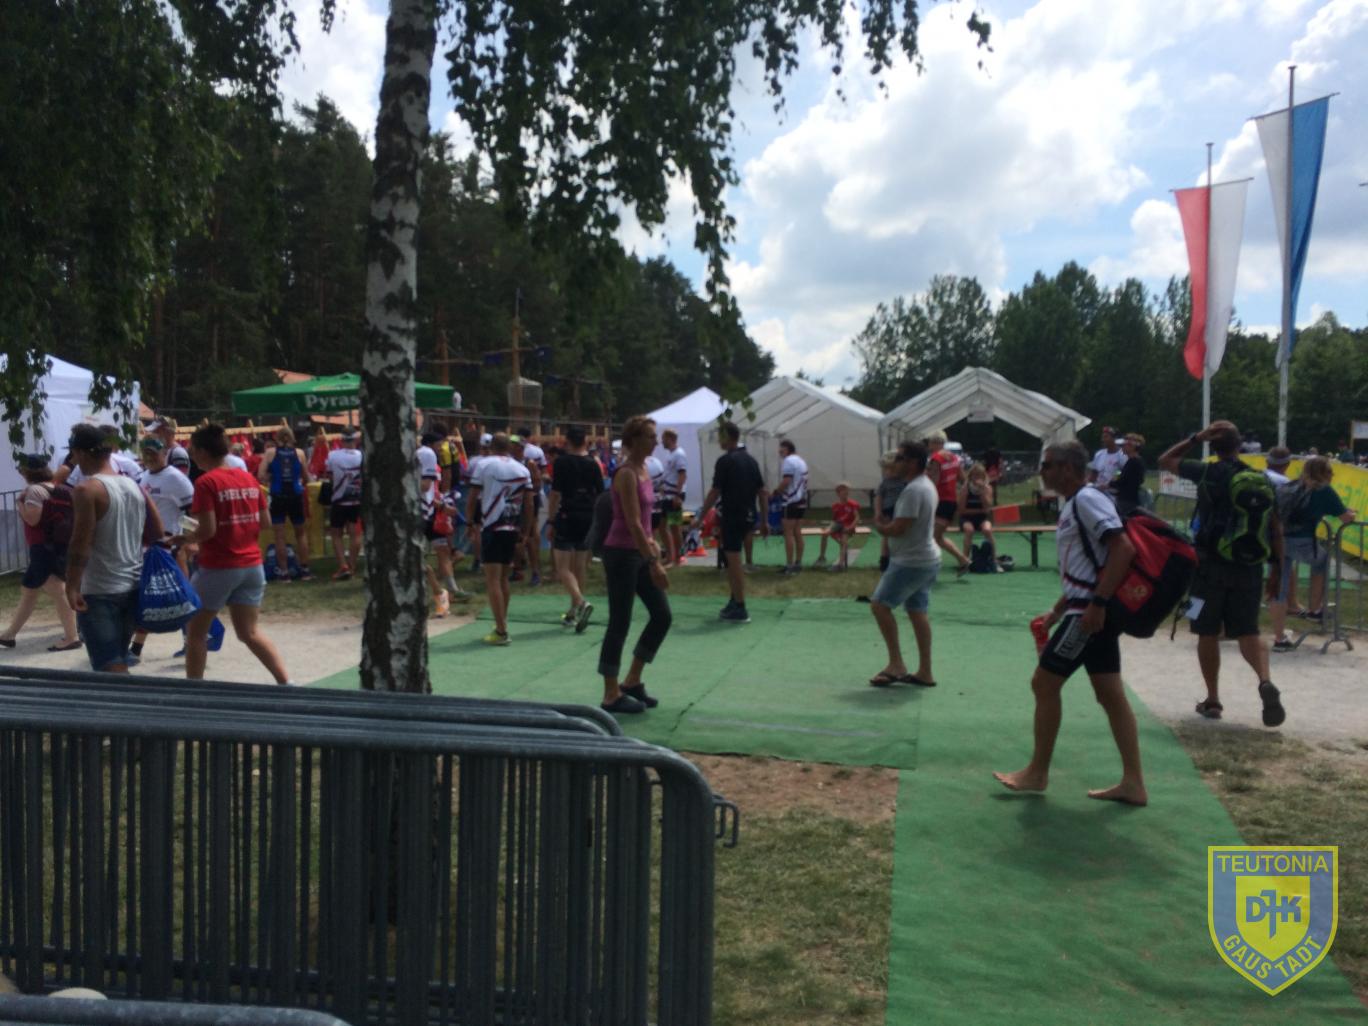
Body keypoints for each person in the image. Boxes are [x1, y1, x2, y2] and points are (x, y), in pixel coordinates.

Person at [993, 440, 1147, 806]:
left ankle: (1037, 773)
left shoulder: (1087, 499)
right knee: (1110, 695)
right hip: (1085, 610)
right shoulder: (1076, 503)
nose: (1042, 472)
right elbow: (1090, 565)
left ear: (1066, 468)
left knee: (1044, 683)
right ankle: (1133, 783)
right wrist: (1057, 611)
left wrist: (1098, 603)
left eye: (1047, 465)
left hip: (1089, 616)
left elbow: (1123, 549)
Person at [1157, 421, 1284, 727]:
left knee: (1206, 631)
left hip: (1208, 566)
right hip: (1250, 567)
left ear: (1212, 447)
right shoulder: (1261, 479)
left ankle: (1213, 699)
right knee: (1249, 631)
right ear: (1240, 446)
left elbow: (1165, 460)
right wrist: (1277, 569)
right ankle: (1265, 680)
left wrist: (1195, 437)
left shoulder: (1206, 472)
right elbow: (1276, 528)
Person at [180, 423, 291, 684]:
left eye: (192, 450)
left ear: (202, 451)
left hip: (218, 566)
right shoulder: (247, 478)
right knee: (249, 632)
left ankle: (193, 691)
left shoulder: (206, 482)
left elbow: (207, 530)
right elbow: (265, 521)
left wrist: (183, 538)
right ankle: (286, 682)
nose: (191, 456)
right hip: (252, 565)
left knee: (195, 633)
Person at [63, 423, 164, 673]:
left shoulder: (86, 490)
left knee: (109, 666)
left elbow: (81, 543)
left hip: (100, 588)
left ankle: (132, 700)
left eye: (74, 454)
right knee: (117, 656)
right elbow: (157, 532)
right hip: (132, 583)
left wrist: (72, 585)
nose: (74, 461)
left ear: (81, 453)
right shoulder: (133, 485)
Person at [597, 416, 673, 714]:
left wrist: (654, 546)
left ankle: (631, 681)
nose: (656, 441)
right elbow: (632, 522)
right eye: (650, 436)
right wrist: (653, 562)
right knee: (620, 621)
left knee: (662, 615)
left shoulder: (644, 470)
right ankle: (610, 694)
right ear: (634, 440)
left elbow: (646, 520)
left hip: (640, 552)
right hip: (621, 554)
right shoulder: (626, 474)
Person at [867, 441, 941, 688]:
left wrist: (879, 526)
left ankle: (896, 664)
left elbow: (899, 528)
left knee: (879, 606)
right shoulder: (924, 485)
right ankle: (925, 672)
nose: (894, 463)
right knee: (917, 612)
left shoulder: (913, 491)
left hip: (911, 561)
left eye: (899, 458)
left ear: (912, 463)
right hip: (925, 559)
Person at [1269, 456, 1356, 651]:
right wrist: (1351, 514)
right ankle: (1315, 608)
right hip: (1302, 541)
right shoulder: (1323, 490)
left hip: (1277, 540)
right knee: (1323, 561)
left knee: (1278, 589)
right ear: (1325, 473)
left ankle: (1279, 638)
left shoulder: (1290, 486)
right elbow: (1345, 517)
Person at [0, 454, 81, 652]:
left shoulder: (34, 491)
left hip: (42, 547)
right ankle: (9, 635)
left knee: (57, 590)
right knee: (29, 591)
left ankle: (72, 637)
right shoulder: (56, 488)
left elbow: (32, 519)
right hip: (56, 545)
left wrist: (20, 504)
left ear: (27, 471)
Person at [128, 436, 196, 661]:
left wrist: (188, 541)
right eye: (146, 453)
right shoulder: (143, 476)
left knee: (182, 597)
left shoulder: (176, 479)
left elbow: (193, 512)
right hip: (148, 548)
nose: (150, 457)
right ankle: (136, 648)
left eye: (154, 453)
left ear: (164, 453)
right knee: (150, 597)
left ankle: (192, 643)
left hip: (170, 548)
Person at [700, 422, 767, 623]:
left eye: (720, 436)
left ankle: (740, 607)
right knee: (733, 560)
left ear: (728, 437)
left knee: (734, 561)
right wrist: (764, 520)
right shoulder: (751, 461)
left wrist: (700, 516)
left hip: (732, 516)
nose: (718, 441)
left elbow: (715, 492)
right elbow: (762, 492)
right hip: (748, 515)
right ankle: (734, 600)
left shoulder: (725, 461)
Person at [469, 433, 533, 645]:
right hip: (512, 526)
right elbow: (529, 503)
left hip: (492, 526)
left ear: (491, 447)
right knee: (504, 578)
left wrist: (469, 522)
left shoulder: (484, 464)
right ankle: (501, 623)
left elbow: (473, 496)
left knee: (493, 580)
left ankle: (501, 630)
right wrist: (526, 530)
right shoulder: (522, 469)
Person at [548, 425, 604, 632]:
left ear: (568, 442)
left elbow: (555, 493)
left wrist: (551, 520)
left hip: (568, 514)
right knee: (580, 566)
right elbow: (600, 492)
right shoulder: (593, 463)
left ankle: (580, 602)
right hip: (587, 516)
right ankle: (573, 612)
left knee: (562, 567)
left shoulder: (562, 462)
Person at [259, 427, 313, 582]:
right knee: (301, 534)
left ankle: (284, 573)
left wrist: (271, 477)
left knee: (279, 536)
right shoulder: (300, 453)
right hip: (295, 495)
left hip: (278, 495)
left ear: (277, 438)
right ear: (292, 437)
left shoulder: (270, 453)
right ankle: (305, 570)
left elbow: (260, 475)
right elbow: (306, 477)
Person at [926, 431, 971, 574]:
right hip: (950, 501)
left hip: (940, 502)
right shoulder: (953, 457)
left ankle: (931, 567)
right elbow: (963, 479)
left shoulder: (935, 459)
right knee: (936, 537)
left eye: (929, 443)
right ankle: (963, 560)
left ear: (933, 443)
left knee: (932, 537)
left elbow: (933, 483)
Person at [326, 429, 364, 580]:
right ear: (355, 440)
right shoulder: (362, 456)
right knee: (355, 534)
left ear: (341, 440)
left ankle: (343, 566)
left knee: (336, 534)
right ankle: (352, 566)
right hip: (357, 499)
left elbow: (329, 476)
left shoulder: (333, 455)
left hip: (339, 499)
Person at [774, 439, 809, 574]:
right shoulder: (801, 461)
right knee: (797, 532)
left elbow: (786, 481)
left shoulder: (788, 461)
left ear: (787, 449)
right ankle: (798, 563)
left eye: (781, 449)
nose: (779, 452)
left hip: (790, 501)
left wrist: (776, 492)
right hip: (801, 501)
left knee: (788, 533)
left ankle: (789, 565)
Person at [957, 463, 998, 567]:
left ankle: (994, 559)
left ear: (984, 477)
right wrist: (980, 510)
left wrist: (981, 492)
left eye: (980, 476)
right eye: (975, 475)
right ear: (970, 477)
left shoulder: (987, 488)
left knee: (987, 530)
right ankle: (965, 560)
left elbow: (987, 508)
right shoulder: (965, 489)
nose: (977, 479)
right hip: (966, 519)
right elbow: (961, 510)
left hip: (982, 519)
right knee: (969, 530)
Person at [814, 482, 860, 570]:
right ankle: (822, 557)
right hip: (838, 524)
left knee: (844, 541)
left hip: (848, 525)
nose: (845, 493)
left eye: (847, 491)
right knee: (825, 534)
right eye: (843, 491)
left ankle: (840, 565)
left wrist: (851, 527)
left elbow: (857, 517)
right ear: (838, 494)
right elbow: (834, 520)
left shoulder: (852, 504)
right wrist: (829, 528)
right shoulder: (835, 506)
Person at [660, 429, 688, 566]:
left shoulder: (679, 454)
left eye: (664, 439)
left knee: (675, 527)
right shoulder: (670, 454)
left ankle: (679, 556)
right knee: (662, 526)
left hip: (674, 495)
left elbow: (682, 475)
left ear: (670, 439)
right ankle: (670, 555)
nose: (661, 441)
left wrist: (678, 495)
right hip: (667, 495)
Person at [875, 450, 905, 572]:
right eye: (886, 469)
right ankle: (884, 559)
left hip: (901, 510)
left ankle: (899, 558)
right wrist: (878, 512)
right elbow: (879, 497)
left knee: (900, 535)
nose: (888, 472)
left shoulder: (904, 481)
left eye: (891, 469)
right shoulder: (885, 483)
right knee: (887, 536)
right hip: (888, 510)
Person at [1109, 432, 1146, 516]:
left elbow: (1121, 481)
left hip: (1128, 502)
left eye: (1125, 445)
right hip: (1125, 500)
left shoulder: (1135, 462)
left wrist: (1110, 483)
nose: (1122, 447)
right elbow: (1120, 474)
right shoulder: (1130, 461)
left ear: (1132, 446)